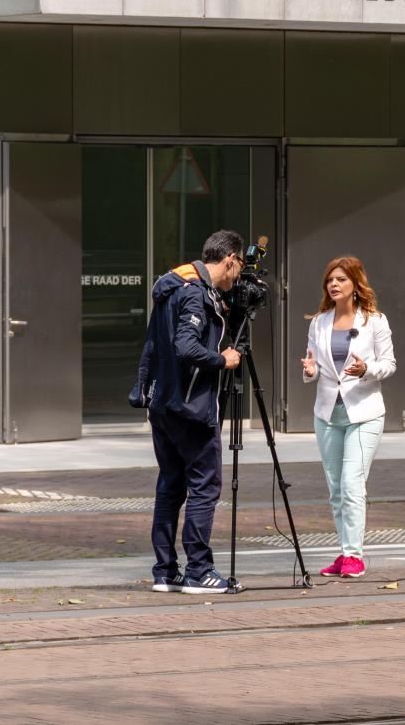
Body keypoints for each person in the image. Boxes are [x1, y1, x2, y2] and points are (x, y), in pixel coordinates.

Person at [134, 230, 244, 594]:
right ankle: (199, 569)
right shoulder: (196, 294)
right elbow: (186, 346)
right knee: (204, 487)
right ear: (230, 259)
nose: (238, 277)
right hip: (191, 406)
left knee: (169, 487)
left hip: (161, 403)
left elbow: (154, 344)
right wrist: (222, 358)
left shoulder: (171, 285)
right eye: (239, 267)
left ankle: (165, 571)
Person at [301, 256, 396, 579]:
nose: (334, 284)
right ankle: (344, 552)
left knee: (353, 483)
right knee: (336, 488)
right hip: (327, 413)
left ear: (356, 284)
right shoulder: (319, 322)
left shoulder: (375, 321)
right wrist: (310, 371)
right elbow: (314, 366)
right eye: (330, 279)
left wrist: (367, 369)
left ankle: (355, 556)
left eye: (341, 279)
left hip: (364, 413)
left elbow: (389, 364)